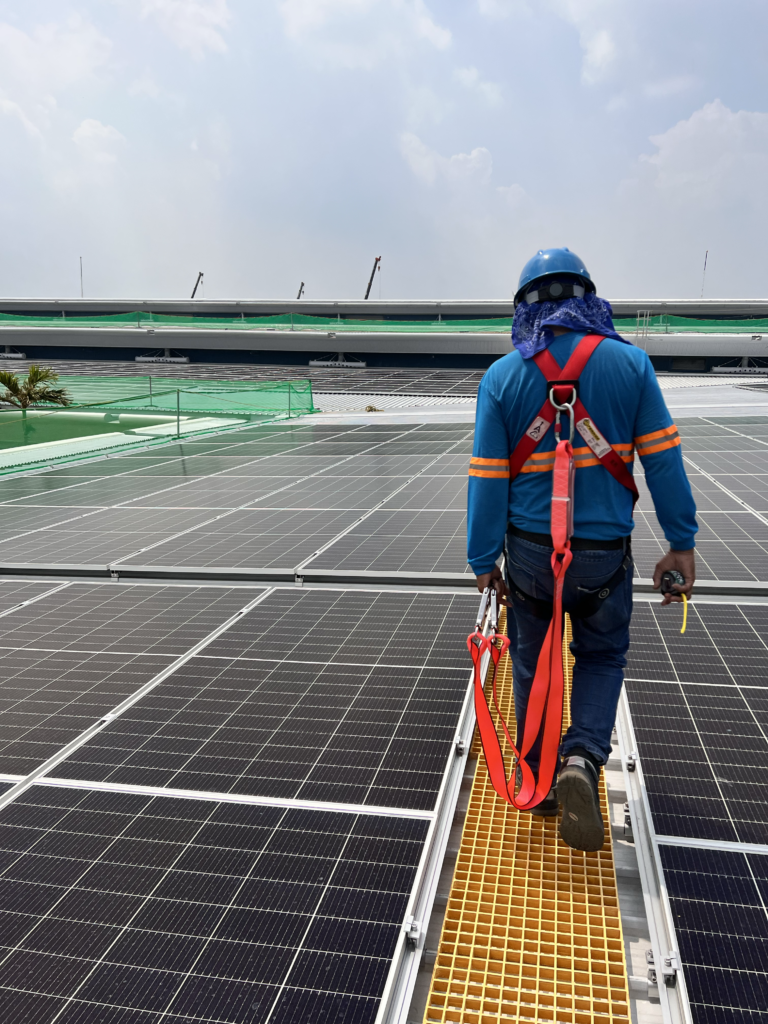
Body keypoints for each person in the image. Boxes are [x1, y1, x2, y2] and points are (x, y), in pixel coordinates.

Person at [467, 247, 697, 852]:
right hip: (600, 556)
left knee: (531, 662)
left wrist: (482, 560)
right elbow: (665, 461)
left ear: (524, 309)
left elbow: (488, 478)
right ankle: (583, 760)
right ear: (588, 299)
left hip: (529, 556)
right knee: (600, 657)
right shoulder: (631, 365)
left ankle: (538, 781)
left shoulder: (502, 377)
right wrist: (682, 544)